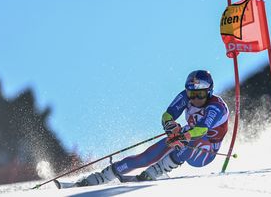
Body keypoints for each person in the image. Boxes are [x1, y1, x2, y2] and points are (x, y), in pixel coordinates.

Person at [59, 70, 229, 188]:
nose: (196, 98)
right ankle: (99, 178)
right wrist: (169, 125)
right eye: (192, 94)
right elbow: (167, 115)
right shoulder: (185, 97)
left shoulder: (216, 107)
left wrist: (183, 136)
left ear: (210, 92)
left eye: (201, 94)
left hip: (206, 150)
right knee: (146, 156)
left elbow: (202, 129)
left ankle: (159, 170)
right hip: (186, 135)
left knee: (189, 137)